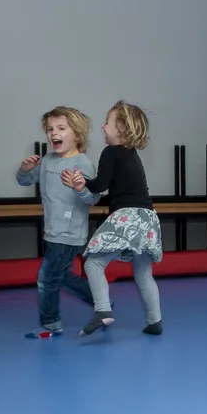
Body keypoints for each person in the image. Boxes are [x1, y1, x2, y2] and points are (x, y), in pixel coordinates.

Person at [62, 101, 161, 337]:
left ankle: (103, 310)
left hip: (128, 217)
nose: (103, 127)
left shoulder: (111, 152)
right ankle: (155, 321)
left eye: (107, 122)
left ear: (121, 129)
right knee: (143, 274)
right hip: (147, 218)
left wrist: (81, 182)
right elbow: (121, 192)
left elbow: (100, 185)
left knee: (93, 263)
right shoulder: (131, 156)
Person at [16, 106, 100, 339]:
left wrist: (79, 187)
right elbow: (24, 181)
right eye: (51, 129)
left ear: (77, 135)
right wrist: (24, 170)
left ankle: (51, 322)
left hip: (70, 232)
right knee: (61, 275)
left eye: (62, 128)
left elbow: (93, 198)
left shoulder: (83, 164)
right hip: (52, 230)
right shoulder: (47, 161)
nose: (55, 133)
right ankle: (102, 303)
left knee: (46, 279)